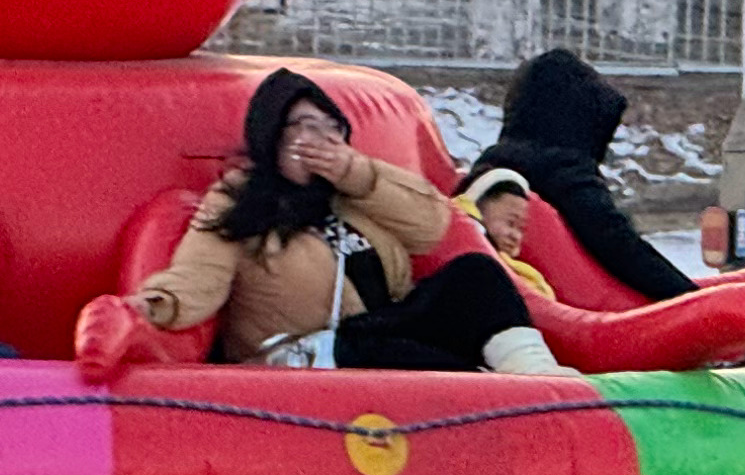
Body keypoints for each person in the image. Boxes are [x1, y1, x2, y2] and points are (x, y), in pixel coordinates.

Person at [131, 71, 560, 373]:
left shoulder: (355, 194)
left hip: (380, 337)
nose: (319, 139)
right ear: (272, 139)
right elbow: (196, 277)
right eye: (303, 127)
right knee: (401, 356)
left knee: (474, 275)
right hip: (307, 356)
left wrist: (355, 174)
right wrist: (148, 309)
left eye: (330, 127)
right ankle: (495, 400)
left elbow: (432, 225)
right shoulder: (240, 201)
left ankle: (542, 384)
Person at [471, 47, 690, 304]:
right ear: (579, 121)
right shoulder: (560, 170)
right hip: (594, 317)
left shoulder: (494, 165)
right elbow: (619, 246)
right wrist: (693, 299)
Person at [458, 163, 557, 299]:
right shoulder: (459, 248)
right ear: (475, 208)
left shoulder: (522, 276)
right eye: (510, 223)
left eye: (520, 229)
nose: (516, 236)